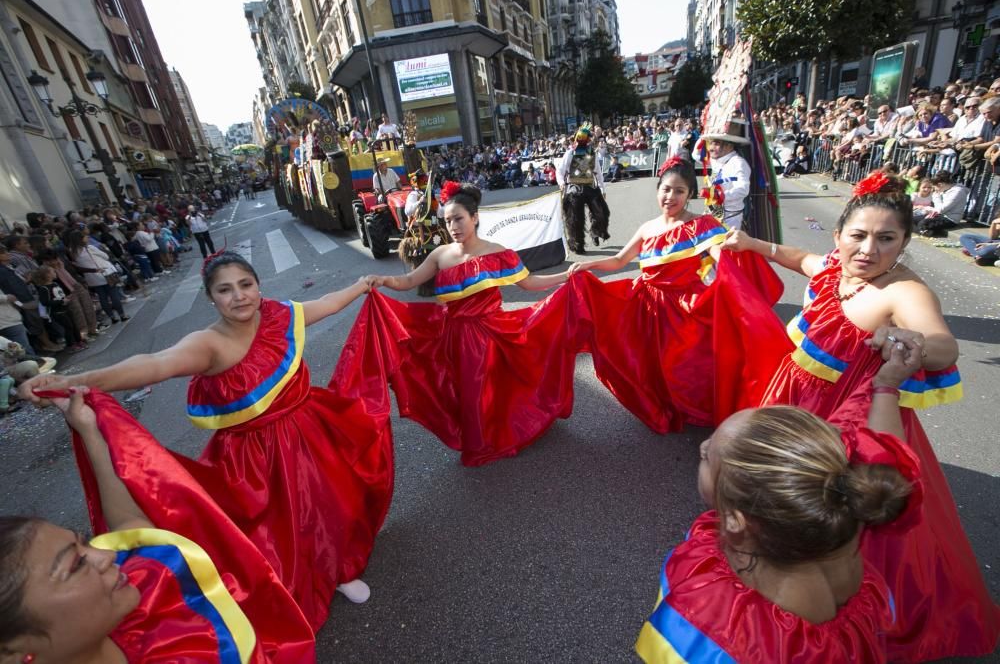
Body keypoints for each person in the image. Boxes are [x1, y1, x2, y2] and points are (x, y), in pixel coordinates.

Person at [20, 251, 394, 630]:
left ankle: (339, 569)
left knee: (329, 503)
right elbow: (154, 364)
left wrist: (362, 285)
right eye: (225, 290)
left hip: (311, 428)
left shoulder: (281, 315)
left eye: (246, 285)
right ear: (211, 297)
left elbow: (326, 304)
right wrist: (75, 382)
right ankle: (288, 586)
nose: (239, 296)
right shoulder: (207, 344)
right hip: (256, 457)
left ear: (258, 285)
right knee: (278, 529)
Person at [722, 170, 1000, 661]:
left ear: (905, 243)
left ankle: (831, 625)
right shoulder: (835, 267)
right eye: (859, 235)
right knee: (785, 506)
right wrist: (751, 244)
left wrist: (915, 343)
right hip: (794, 409)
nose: (869, 249)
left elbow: (941, 343)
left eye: (886, 239)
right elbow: (802, 259)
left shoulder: (904, 292)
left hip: (844, 427)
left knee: (846, 525)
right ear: (839, 236)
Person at [637, 350, 922, 663]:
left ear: (735, 521)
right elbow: (886, 457)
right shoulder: (849, 494)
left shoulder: (725, 627)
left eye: (707, 457)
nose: (702, 446)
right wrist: (886, 386)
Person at [0, 388, 315, 662]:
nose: (107, 554)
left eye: (85, 543)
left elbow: (130, 527)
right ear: (11, 653)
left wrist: (90, 429)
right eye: (75, 564)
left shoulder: (142, 591)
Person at [334, 182, 576, 466]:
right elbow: (410, 281)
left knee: (485, 391)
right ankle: (487, 434)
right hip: (452, 336)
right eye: (448, 220)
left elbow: (529, 283)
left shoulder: (497, 252)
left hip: (490, 334)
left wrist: (566, 277)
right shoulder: (441, 255)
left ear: (474, 218)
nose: (453, 226)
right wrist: (383, 280)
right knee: (462, 392)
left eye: (459, 218)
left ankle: (484, 443)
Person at [566, 158, 788, 433]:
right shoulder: (648, 227)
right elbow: (620, 260)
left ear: (690, 195)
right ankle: (669, 406)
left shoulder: (702, 225)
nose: (670, 197)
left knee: (685, 369)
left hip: (685, 312)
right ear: (658, 189)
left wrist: (731, 285)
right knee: (652, 364)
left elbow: (724, 261)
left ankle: (697, 412)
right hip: (649, 309)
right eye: (666, 189)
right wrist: (590, 265)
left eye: (679, 191)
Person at [556, 124, 610, 254]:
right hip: (574, 188)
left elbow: (598, 172)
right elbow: (560, 171)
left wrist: (603, 188)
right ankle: (577, 244)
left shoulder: (592, 153)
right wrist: (562, 182)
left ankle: (596, 231)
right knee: (574, 218)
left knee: (602, 212)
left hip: (590, 186)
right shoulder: (570, 153)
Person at [701, 121, 751, 229]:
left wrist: (720, 195)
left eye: (716, 143)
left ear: (729, 145)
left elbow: (743, 189)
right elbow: (695, 154)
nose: (711, 148)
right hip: (712, 215)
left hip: (730, 219)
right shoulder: (717, 160)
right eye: (711, 143)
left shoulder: (738, 163)